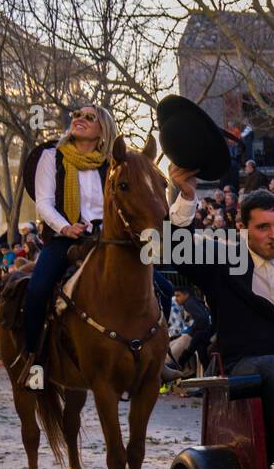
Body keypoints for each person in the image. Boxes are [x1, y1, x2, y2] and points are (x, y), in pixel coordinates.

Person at [170, 174, 274, 465]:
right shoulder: (223, 264)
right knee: (272, 368)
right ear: (242, 229)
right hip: (246, 365)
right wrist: (186, 197)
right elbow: (177, 250)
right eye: (263, 227)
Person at [19, 105, 173, 383]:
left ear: (103, 128)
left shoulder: (112, 163)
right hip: (65, 238)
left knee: (164, 287)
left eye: (89, 117)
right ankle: (35, 363)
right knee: (38, 289)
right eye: (77, 115)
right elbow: (43, 203)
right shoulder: (51, 156)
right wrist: (66, 226)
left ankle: (158, 359)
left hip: (107, 239)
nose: (80, 119)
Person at [168, 286, 213, 376]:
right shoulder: (191, 302)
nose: (176, 299)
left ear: (186, 295)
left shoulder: (189, 303)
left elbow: (202, 319)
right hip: (204, 330)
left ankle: (180, 363)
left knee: (196, 340)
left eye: (178, 296)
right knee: (199, 346)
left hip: (204, 330)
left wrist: (192, 331)